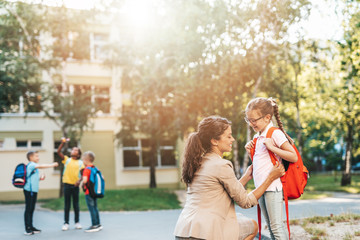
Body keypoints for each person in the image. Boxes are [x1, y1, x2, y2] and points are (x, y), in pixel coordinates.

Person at [174, 116, 285, 240]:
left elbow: (219, 191)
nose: (232, 139)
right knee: (253, 226)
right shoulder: (221, 165)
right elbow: (246, 202)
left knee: (238, 218)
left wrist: (245, 177)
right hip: (206, 234)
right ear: (214, 141)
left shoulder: (196, 163)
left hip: (182, 232)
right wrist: (270, 177)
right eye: (228, 136)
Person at [244, 97, 298, 240]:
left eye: (254, 120)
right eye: (248, 120)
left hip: (273, 187)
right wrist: (250, 151)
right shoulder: (258, 136)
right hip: (261, 187)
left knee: (276, 227)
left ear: (267, 118)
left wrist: (272, 147)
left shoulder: (274, 133)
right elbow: (262, 164)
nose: (251, 123)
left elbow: (293, 156)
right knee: (271, 226)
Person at [23, 150, 58, 235]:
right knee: (28, 209)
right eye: (36, 156)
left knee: (31, 209)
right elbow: (41, 166)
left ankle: (31, 226)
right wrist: (52, 165)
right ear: (31, 158)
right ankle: (27, 228)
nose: (38, 158)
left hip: (33, 190)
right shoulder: (31, 165)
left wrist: (40, 178)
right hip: (29, 190)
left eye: (38, 156)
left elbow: (32, 178)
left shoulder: (34, 167)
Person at [57, 138, 84, 231]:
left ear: (79, 154)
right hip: (67, 185)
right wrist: (62, 143)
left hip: (75, 186)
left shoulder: (81, 163)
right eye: (72, 149)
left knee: (76, 205)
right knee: (67, 205)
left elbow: (83, 174)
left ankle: (77, 222)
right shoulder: (67, 160)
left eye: (76, 150)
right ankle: (66, 223)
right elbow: (58, 151)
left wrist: (79, 181)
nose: (73, 150)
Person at [79, 151, 103, 233]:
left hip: (89, 192)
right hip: (95, 192)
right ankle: (98, 224)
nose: (82, 161)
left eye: (83, 160)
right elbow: (102, 177)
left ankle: (94, 225)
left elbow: (85, 180)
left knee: (91, 208)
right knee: (95, 208)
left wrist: (81, 184)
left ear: (86, 160)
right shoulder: (95, 168)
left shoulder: (87, 169)